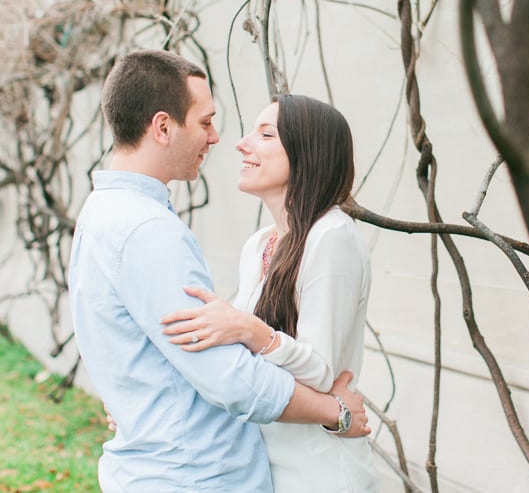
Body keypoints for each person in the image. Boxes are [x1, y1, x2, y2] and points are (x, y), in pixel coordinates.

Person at [68, 50, 369, 493]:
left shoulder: (103, 214)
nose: (222, 139)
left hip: (303, 467)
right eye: (205, 122)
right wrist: (335, 412)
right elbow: (227, 375)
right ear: (163, 127)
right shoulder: (152, 230)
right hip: (195, 474)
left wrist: (143, 398)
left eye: (264, 134)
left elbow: (215, 351)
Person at [158, 94, 379, 492]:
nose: (242, 144)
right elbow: (236, 361)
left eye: (265, 134)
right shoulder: (260, 244)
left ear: (306, 152)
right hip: (266, 463)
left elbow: (322, 371)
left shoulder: (332, 237)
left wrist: (249, 329)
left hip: (321, 470)